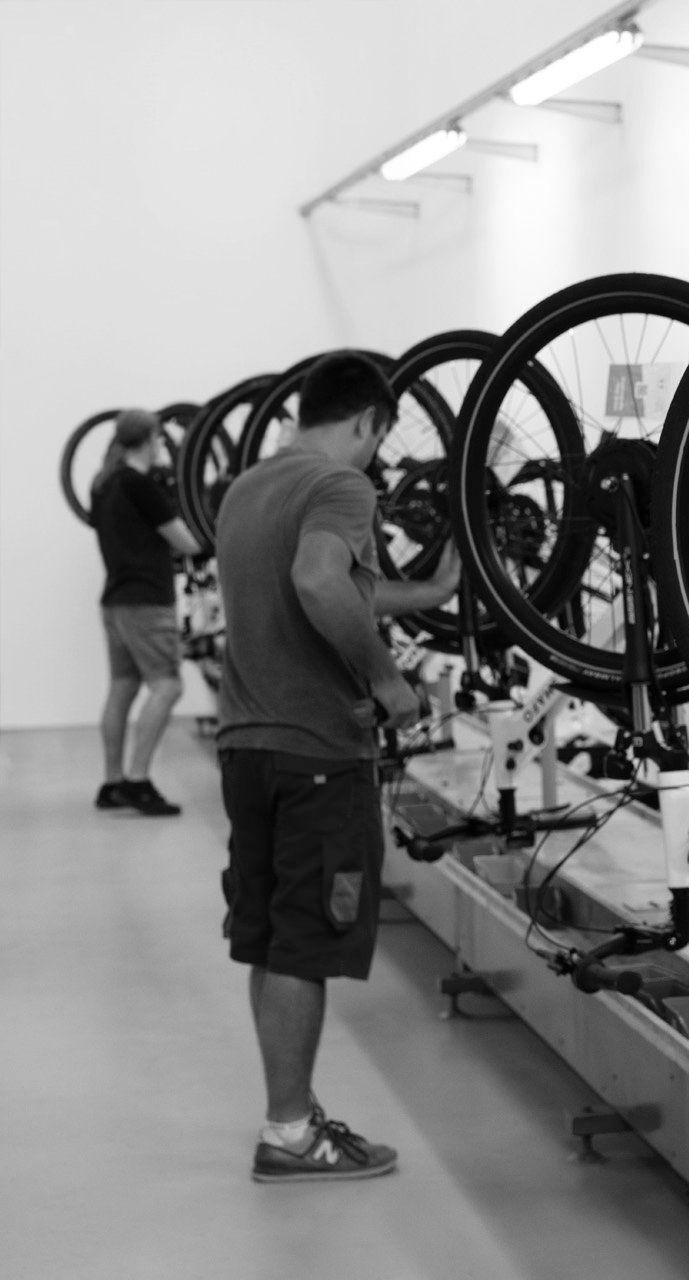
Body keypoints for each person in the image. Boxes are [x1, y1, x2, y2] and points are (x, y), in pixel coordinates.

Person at [214, 351, 460, 1183]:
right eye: (378, 441)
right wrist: (387, 682)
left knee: (274, 940)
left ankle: (291, 1113)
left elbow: (316, 586)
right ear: (369, 422)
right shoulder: (340, 485)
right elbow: (320, 580)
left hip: (247, 744)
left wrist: (422, 594)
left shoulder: (250, 486)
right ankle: (289, 1135)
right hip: (319, 752)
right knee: (304, 945)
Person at [92, 408, 201, 816]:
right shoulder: (140, 486)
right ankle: (138, 780)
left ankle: (112, 782)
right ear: (151, 439)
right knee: (168, 685)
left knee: (123, 685)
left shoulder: (103, 484)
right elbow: (186, 542)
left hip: (115, 599)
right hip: (147, 601)